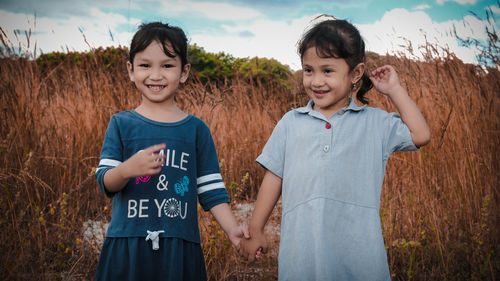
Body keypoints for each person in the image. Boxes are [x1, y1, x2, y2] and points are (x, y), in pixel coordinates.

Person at [239, 17, 431, 280]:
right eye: (309, 70)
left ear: (355, 73)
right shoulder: (291, 123)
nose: (316, 81)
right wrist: (257, 228)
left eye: (327, 71)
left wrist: (394, 90)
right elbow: (274, 177)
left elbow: (420, 135)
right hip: (302, 253)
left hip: (359, 255)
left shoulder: (374, 123)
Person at [94, 21, 248, 281]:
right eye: (145, 65)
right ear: (131, 70)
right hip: (128, 245)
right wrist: (126, 170)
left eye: (167, 65)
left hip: (178, 248)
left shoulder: (196, 130)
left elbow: (211, 190)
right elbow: (105, 181)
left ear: (184, 72)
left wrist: (232, 229)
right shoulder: (121, 124)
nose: (156, 75)